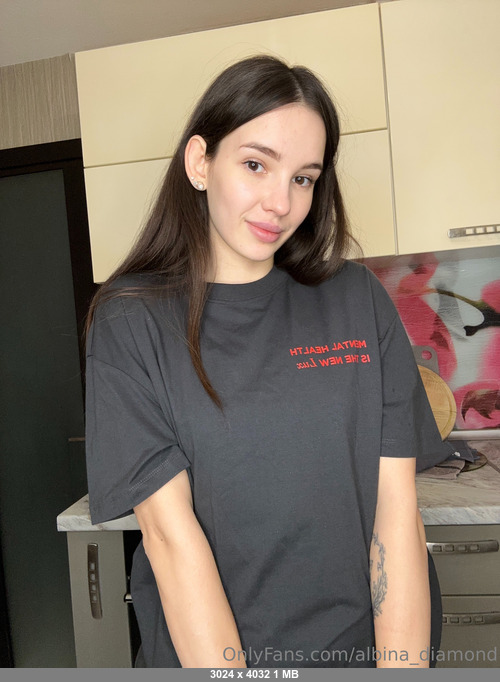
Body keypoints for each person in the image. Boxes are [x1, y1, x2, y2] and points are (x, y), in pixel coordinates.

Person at [84, 55, 447, 669]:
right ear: (200, 163)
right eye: (256, 165)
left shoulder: (356, 300)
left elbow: (396, 513)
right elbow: (171, 539)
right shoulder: (132, 321)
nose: (280, 202)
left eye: (303, 178)